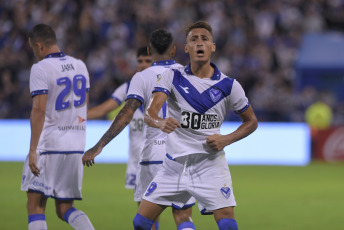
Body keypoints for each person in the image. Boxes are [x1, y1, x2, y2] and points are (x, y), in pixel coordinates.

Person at [139, 21, 258, 230]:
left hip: (210, 164)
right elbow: (150, 113)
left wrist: (226, 139)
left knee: (229, 226)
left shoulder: (229, 85)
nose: (199, 43)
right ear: (187, 48)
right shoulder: (172, 76)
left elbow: (251, 122)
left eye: (204, 39)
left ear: (212, 46)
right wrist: (159, 121)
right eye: (194, 39)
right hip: (174, 164)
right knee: (140, 223)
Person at [82, 29, 196, 230]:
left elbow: (126, 114)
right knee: (183, 216)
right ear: (174, 50)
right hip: (182, 154)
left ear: (150, 51)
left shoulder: (142, 78)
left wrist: (99, 146)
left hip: (153, 156)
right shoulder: (189, 74)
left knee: (145, 220)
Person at [20, 24, 94, 230]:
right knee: (64, 208)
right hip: (76, 145)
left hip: (49, 144)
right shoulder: (80, 65)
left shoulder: (40, 68)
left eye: (34, 49)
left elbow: (39, 110)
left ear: (40, 46)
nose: (35, 54)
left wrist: (33, 149)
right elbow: (83, 107)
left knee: (35, 206)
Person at [88, 46, 152, 190]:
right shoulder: (128, 87)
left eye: (147, 60)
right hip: (136, 159)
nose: (143, 64)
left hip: (159, 155)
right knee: (143, 206)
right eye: (140, 61)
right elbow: (103, 109)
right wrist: (75, 117)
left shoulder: (165, 87)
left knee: (175, 205)